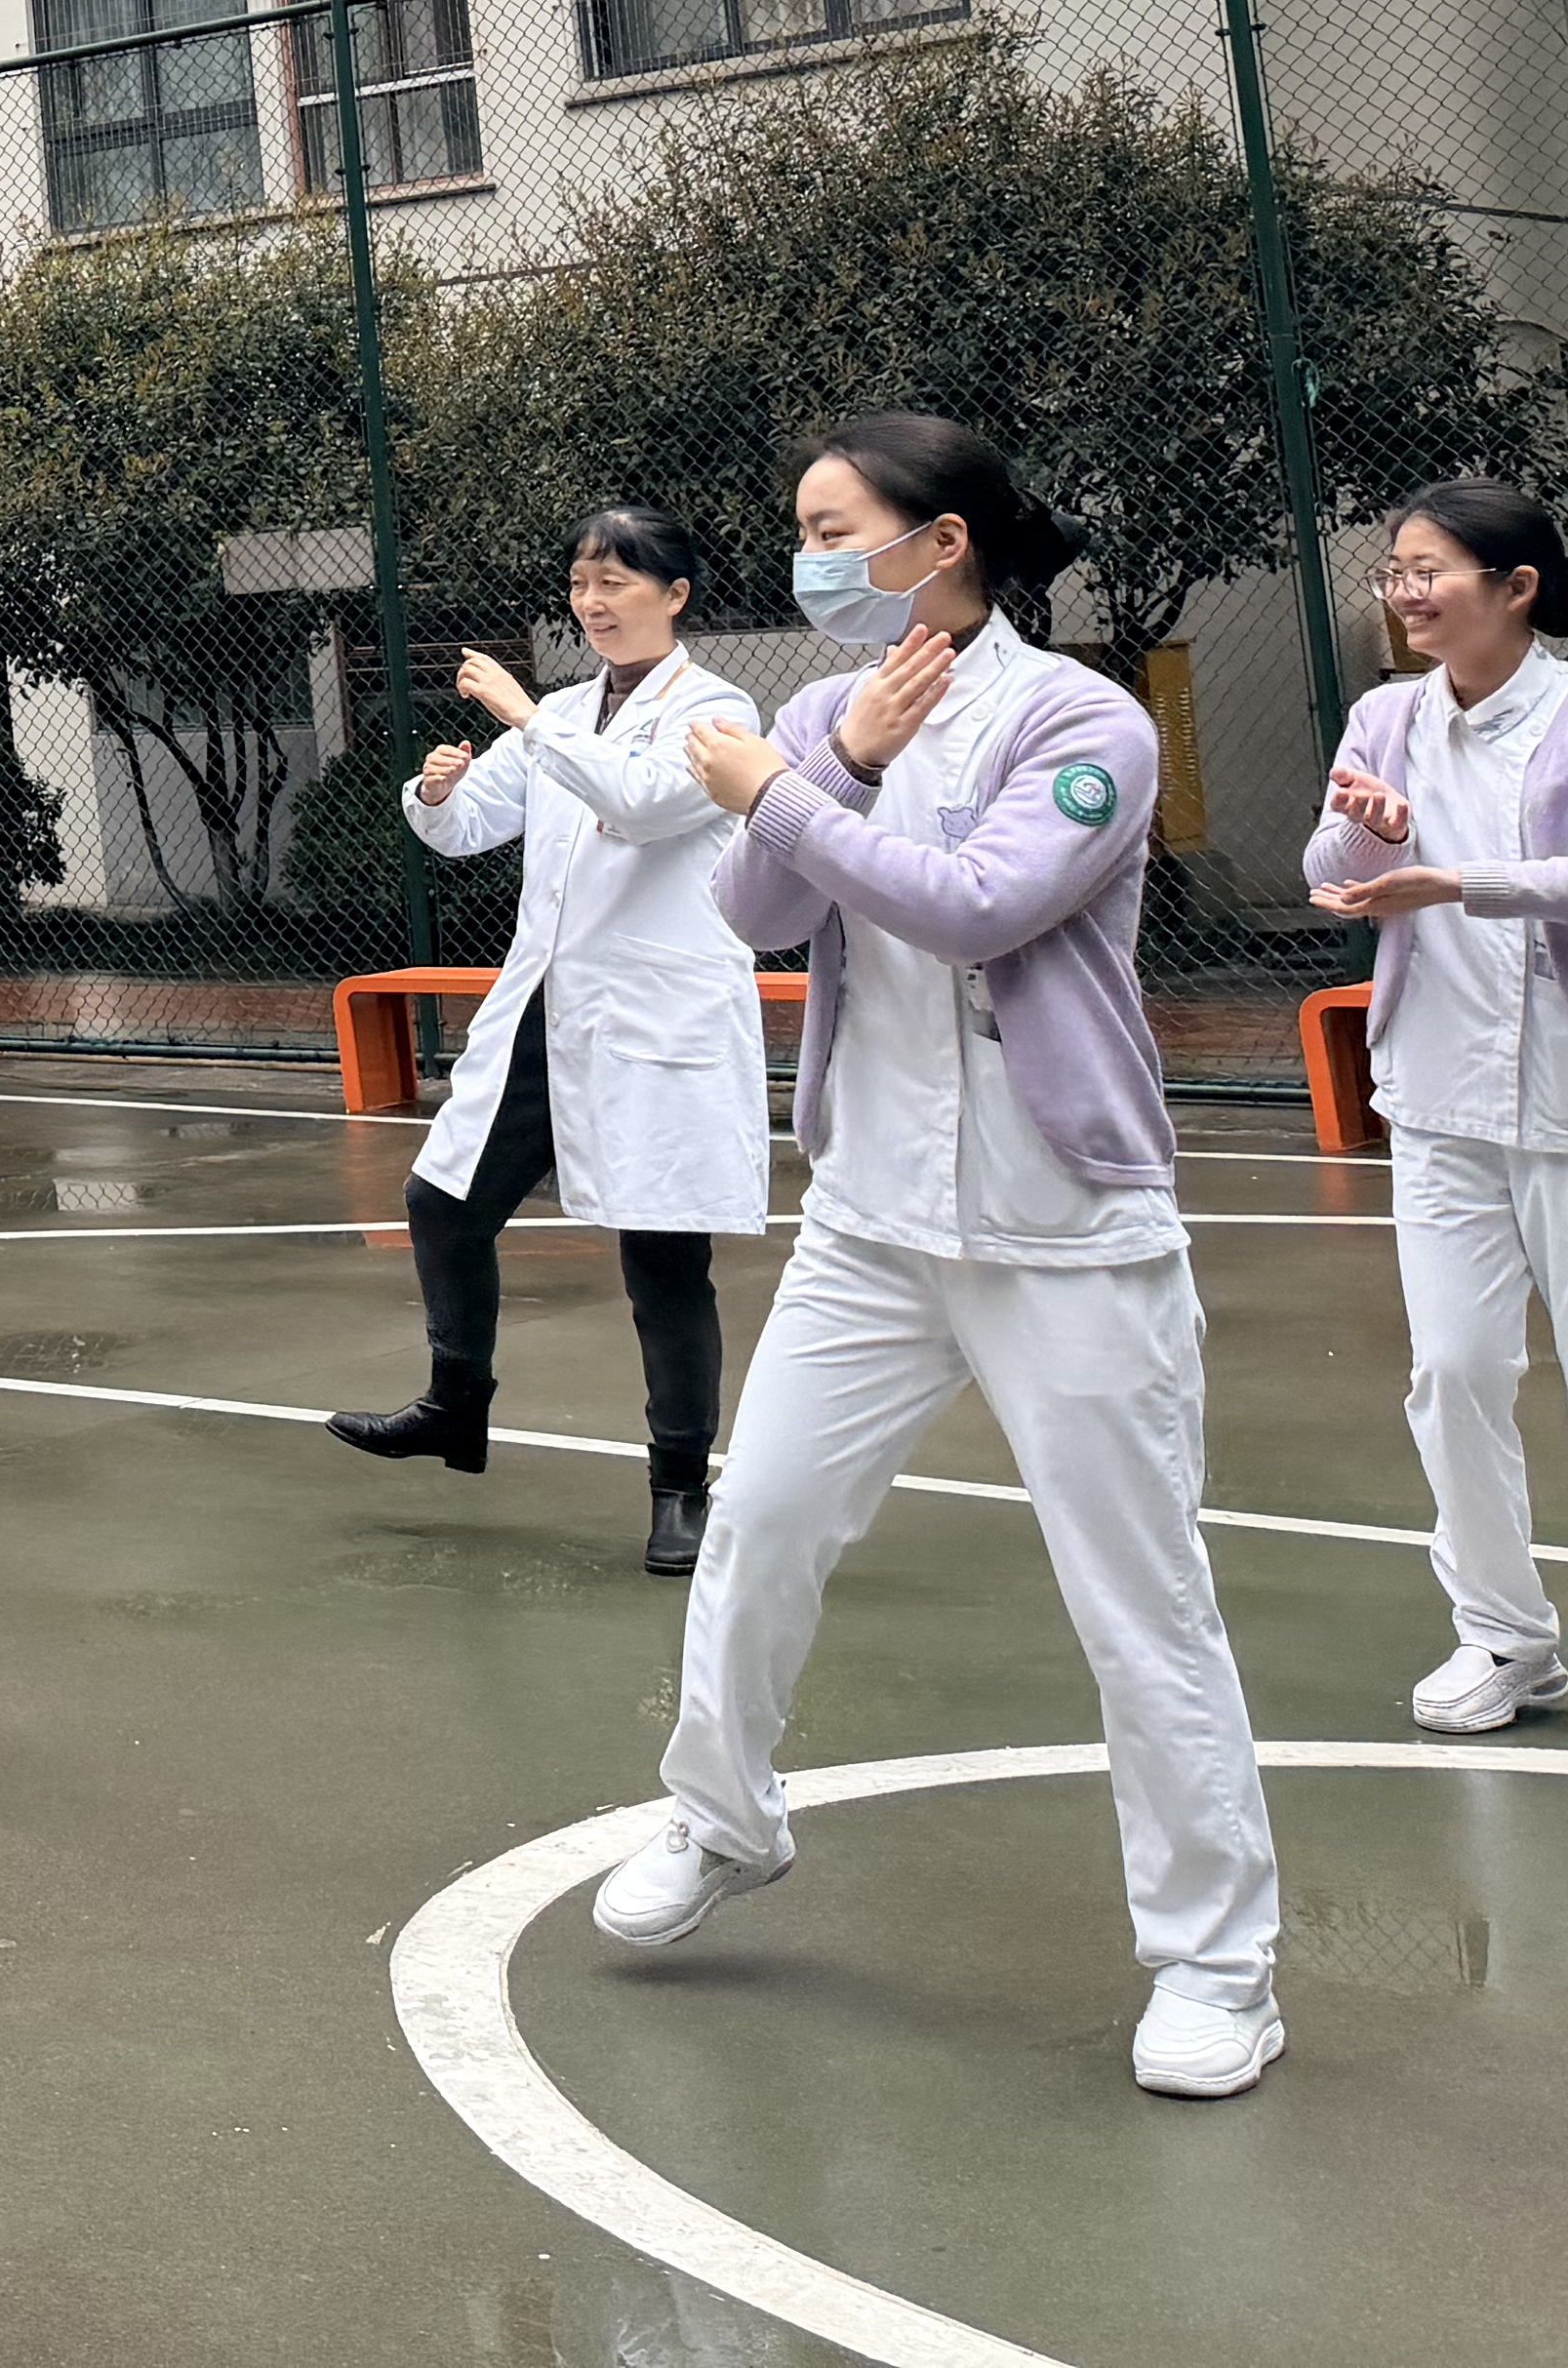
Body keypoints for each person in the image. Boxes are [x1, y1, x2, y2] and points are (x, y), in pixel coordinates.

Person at [621, 415, 1285, 2101]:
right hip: (872, 1217)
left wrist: (780, 788)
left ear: (945, 540)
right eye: (803, 532)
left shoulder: (1083, 720)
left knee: (1140, 1599)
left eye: (836, 527)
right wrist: (825, 756)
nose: (812, 559)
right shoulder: (812, 712)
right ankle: (721, 1818)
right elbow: (756, 920)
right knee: (758, 1516)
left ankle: (1217, 1963)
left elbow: (980, 903)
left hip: (1064, 1225)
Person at [327, 508, 769, 1574]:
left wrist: (528, 719)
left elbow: (650, 803)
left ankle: (679, 1489)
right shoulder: (568, 711)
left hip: (654, 1016)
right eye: (581, 582)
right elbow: (474, 824)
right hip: (547, 1008)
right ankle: (455, 1404)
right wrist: (435, 793)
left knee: (664, 1259)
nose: (595, 602)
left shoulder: (717, 709)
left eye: (619, 582)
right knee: (443, 1201)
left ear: (676, 594)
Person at [1301, 476, 1568, 1746]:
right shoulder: (1385, 717)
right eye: (1396, 570)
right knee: (1456, 1374)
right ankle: (1504, 1636)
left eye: (1430, 568)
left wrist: (1456, 879)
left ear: (1517, 586)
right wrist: (1369, 841)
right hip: (1434, 1102)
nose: (1406, 591)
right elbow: (1331, 874)